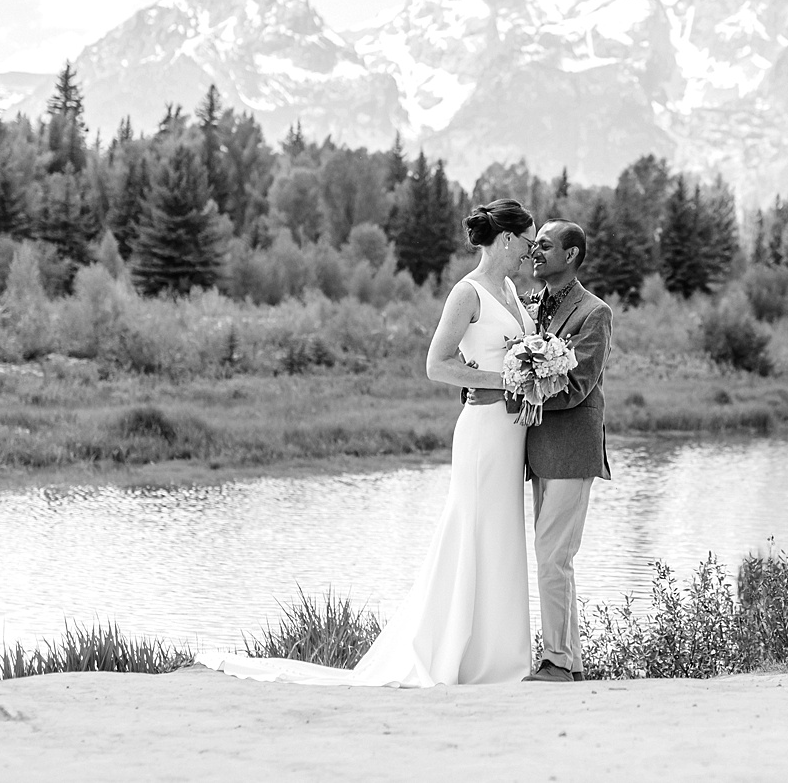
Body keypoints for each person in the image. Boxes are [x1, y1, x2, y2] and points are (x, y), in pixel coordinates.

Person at [198, 199, 538, 687]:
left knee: (501, 537)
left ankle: (498, 658)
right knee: (472, 531)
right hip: (483, 434)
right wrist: (503, 380)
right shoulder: (469, 294)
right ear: (506, 240)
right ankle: (451, 653)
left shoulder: (508, 288)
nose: (530, 251)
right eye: (527, 241)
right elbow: (437, 365)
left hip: (511, 435)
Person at [520, 219, 613, 682]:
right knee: (554, 556)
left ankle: (555, 661)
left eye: (545, 245)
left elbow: (577, 386)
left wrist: (518, 386)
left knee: (553, 554)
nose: (535, 252)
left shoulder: (594, 313)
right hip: (539, 450)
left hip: (572, 450)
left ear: (572, 255)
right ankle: (570, 663)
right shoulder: (534, 306)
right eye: (533, 245)